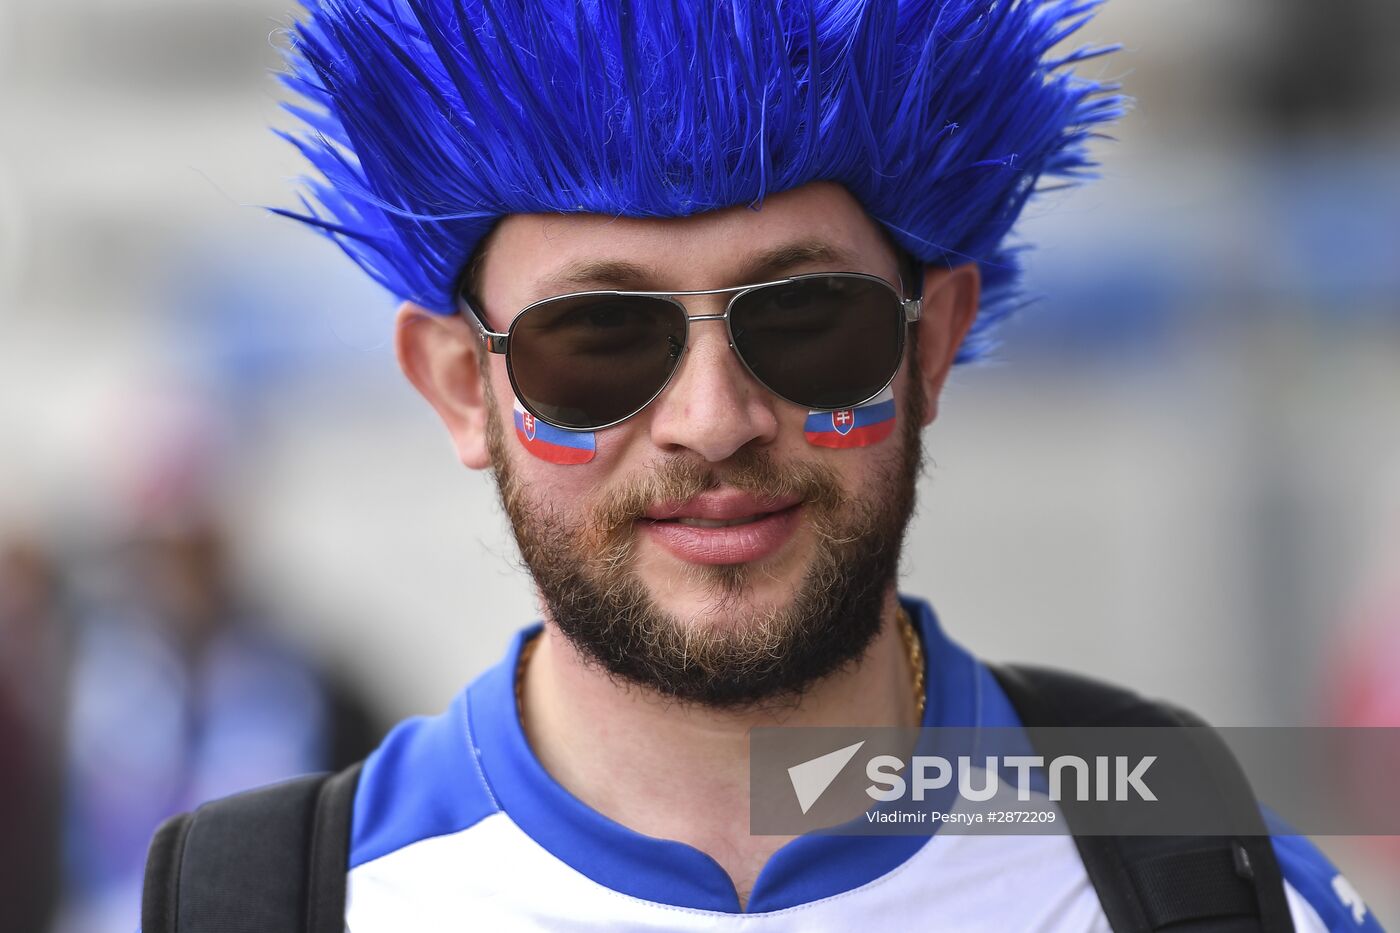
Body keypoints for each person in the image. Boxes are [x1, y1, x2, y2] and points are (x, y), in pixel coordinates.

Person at [145, 0, 1382, 930]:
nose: (713, 419)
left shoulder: (1199, 872)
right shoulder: (282, 903)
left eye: (805, 320)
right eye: (597, 339)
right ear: (464, 387)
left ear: (929, 346)